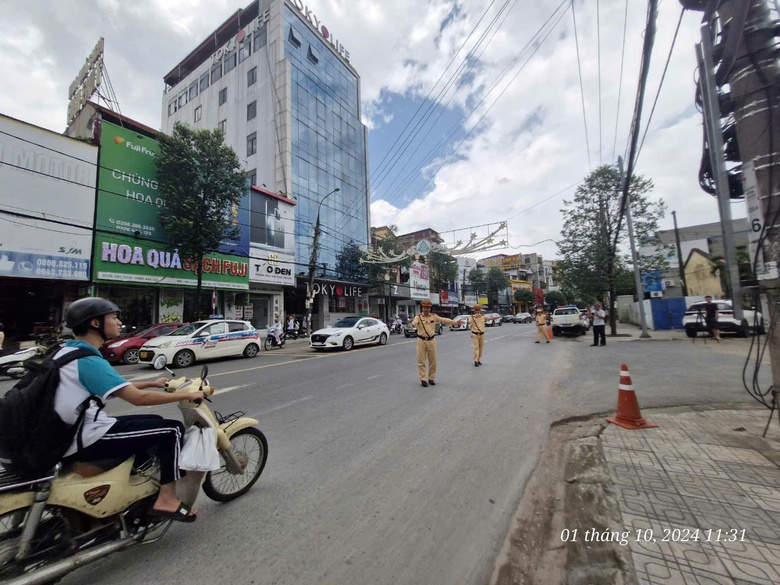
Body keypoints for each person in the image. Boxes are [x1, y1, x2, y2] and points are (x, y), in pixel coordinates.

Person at [56, 298, 206, 522]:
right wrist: (187, 395)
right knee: (172, 430)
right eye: (114, 317)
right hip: (84, 437)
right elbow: (137, 399)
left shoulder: (68, 353)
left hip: (68, 433)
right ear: (96, 323)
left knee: (153, 420)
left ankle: (132, 487)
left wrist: (152, 383)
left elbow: (115, 386)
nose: (119, 322)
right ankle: (167, 499)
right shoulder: (88, 361)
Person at [411, 300, 461, 387]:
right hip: (421, 341)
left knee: (433, 361)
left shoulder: (434, 316)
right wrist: (413, 324)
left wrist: (455, 322)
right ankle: (423, 379)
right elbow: (414, 322)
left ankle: (431, 378)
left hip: (431, 340)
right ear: (422, 308)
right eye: (424, 308)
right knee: (421, 361)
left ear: (430, 308)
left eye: (427, 308)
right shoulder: (418, 317)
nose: (426, 309)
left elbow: (444, 320)